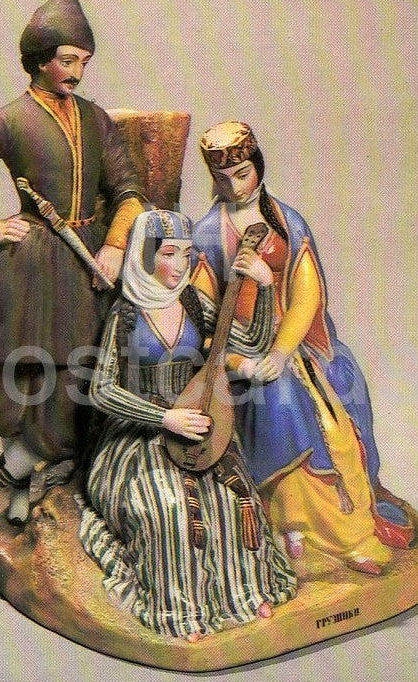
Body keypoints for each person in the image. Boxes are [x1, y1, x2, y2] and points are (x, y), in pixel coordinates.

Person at [0, 0, 146, 530]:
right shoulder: (8, 120)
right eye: (67, 60)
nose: (77, 72)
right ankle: (13, 489)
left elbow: (130, 192)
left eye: (84, 62)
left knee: (72, 395)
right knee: (19, 384)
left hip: (85, 268)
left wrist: (115, 246)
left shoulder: (96, 120)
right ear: (40, 59)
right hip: (26, 269)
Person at [192, 121, 416, 576]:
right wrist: (239, 357)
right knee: (278, 404)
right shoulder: (208, 233)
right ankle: (291, 526)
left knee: (340, 406)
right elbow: (201, 307)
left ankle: (350, 532)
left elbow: (306, 294)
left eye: (242, 174)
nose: (235, 187)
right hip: (237, 353)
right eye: (223, 179)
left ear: (258, 167)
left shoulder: (287, 222)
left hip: (292, 346)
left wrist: (280, 350)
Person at [76, 210, 297, 641]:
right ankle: (178, 607)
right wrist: (164, 418)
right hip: (138, 438)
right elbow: (101, 390)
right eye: (168, 254)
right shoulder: (125, 314)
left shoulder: (194, 303)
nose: (179, 265)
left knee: (234, 501)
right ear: (145, 255)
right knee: (171, 509)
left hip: (198, 428)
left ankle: (244, 592)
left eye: (186, 254)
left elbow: (251, 343)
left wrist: (264, 286)